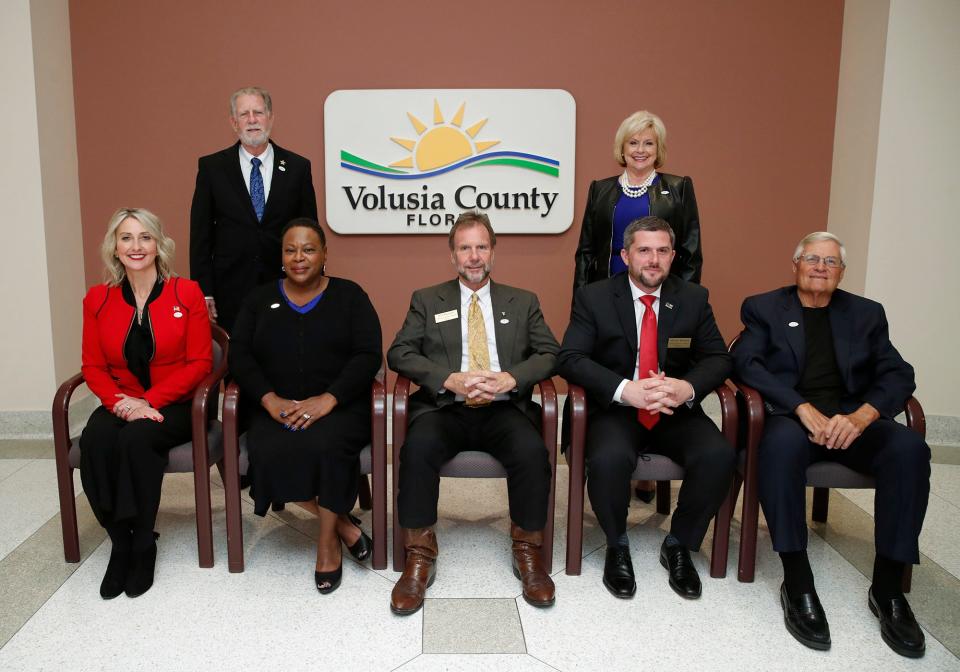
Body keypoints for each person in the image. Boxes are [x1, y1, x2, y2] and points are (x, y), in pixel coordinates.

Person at [732, 231, 929, 657]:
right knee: (779, 449)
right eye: (812, 259)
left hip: (850, 421)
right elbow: (747, 363)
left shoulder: (866, 314)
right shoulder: (765, 307)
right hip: (791, 417)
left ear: (841, 273)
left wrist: (862, 416)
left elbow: (898, 373)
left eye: (831, 262)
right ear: (796, 265)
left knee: (910, 450)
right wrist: (800, 406)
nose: (821, 268)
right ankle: (798, 580)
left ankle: (889, 589)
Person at [387, 211, 559, 614]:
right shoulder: (427, 299)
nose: (474, 256)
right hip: (445, 408)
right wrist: (448, 378)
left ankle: (528, 551)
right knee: (416, 450)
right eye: (465, 248)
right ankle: (419, 555)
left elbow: (551, 353)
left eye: (482, 246)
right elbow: (399, 352)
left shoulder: (523, 300)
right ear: (452, 255)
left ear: (494, 251)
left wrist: (510, 378)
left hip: (504, 408)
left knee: (533, 453)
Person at [558, 216, 734, 600]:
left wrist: (686, 387)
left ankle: (679, 543)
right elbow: (570, 357)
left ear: (672, 256)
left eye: (662, 251)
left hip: (674, 408)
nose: (653, 259)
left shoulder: (693, 297)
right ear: (625, 255)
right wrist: (625, 389)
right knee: (607, 459)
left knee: (719, 455)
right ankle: (616, 542)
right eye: (644, 250)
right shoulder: (596, 296)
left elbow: (719, 358)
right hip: (617, 409)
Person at [228, 218, 382, 594]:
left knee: (327, 447)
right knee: (267, 449)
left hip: (340, 406)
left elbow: (367, 354)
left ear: (325, 254)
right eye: (291, 250)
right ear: (281, 257)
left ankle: (327, 543)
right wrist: (269, 399)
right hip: (274, 407)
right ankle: (345, 527)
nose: (299, 257)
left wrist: (328, 399)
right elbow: (240, 356)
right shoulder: (259, 299)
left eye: (309, 249)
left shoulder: (350, 296)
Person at [80, 208, 213, 599]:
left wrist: (148, 402)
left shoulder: (185, 292)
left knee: (137, 440)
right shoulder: (97, 299)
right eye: (126, 238)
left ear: (158, 245)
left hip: (175, 403)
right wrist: (120, 404)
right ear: (114, 248)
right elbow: (92, 364)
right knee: (96, 441)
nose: (136, 246)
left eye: (144, 237)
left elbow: (200, 363)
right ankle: (120, 541)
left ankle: (143, 545)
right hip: (120, 400)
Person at [573, 110, 702, 502]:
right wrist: (582, 301)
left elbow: (691, 252)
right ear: (622, 148)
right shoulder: (602, 189)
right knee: (615, 379)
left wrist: (678, 311)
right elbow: (585, 251)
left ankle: (646, 461)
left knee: (652, 370)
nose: (640, 150)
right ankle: (619, 458)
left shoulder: (677, 187)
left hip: (658, 296)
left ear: (658, 148)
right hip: (608, 299)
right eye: (633, 143)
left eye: (648, 143)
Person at [190, 86, 318, 332]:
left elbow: (310, 232)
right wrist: (204, 293)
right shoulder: (212, 168)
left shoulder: (297, 167)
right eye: (244, 114)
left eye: (258, 112)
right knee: (237, 362)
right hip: (230, 290)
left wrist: (310, 285)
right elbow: (200, 237)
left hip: (286, 285)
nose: (252, 120)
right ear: (233, 122)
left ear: (270, 117)